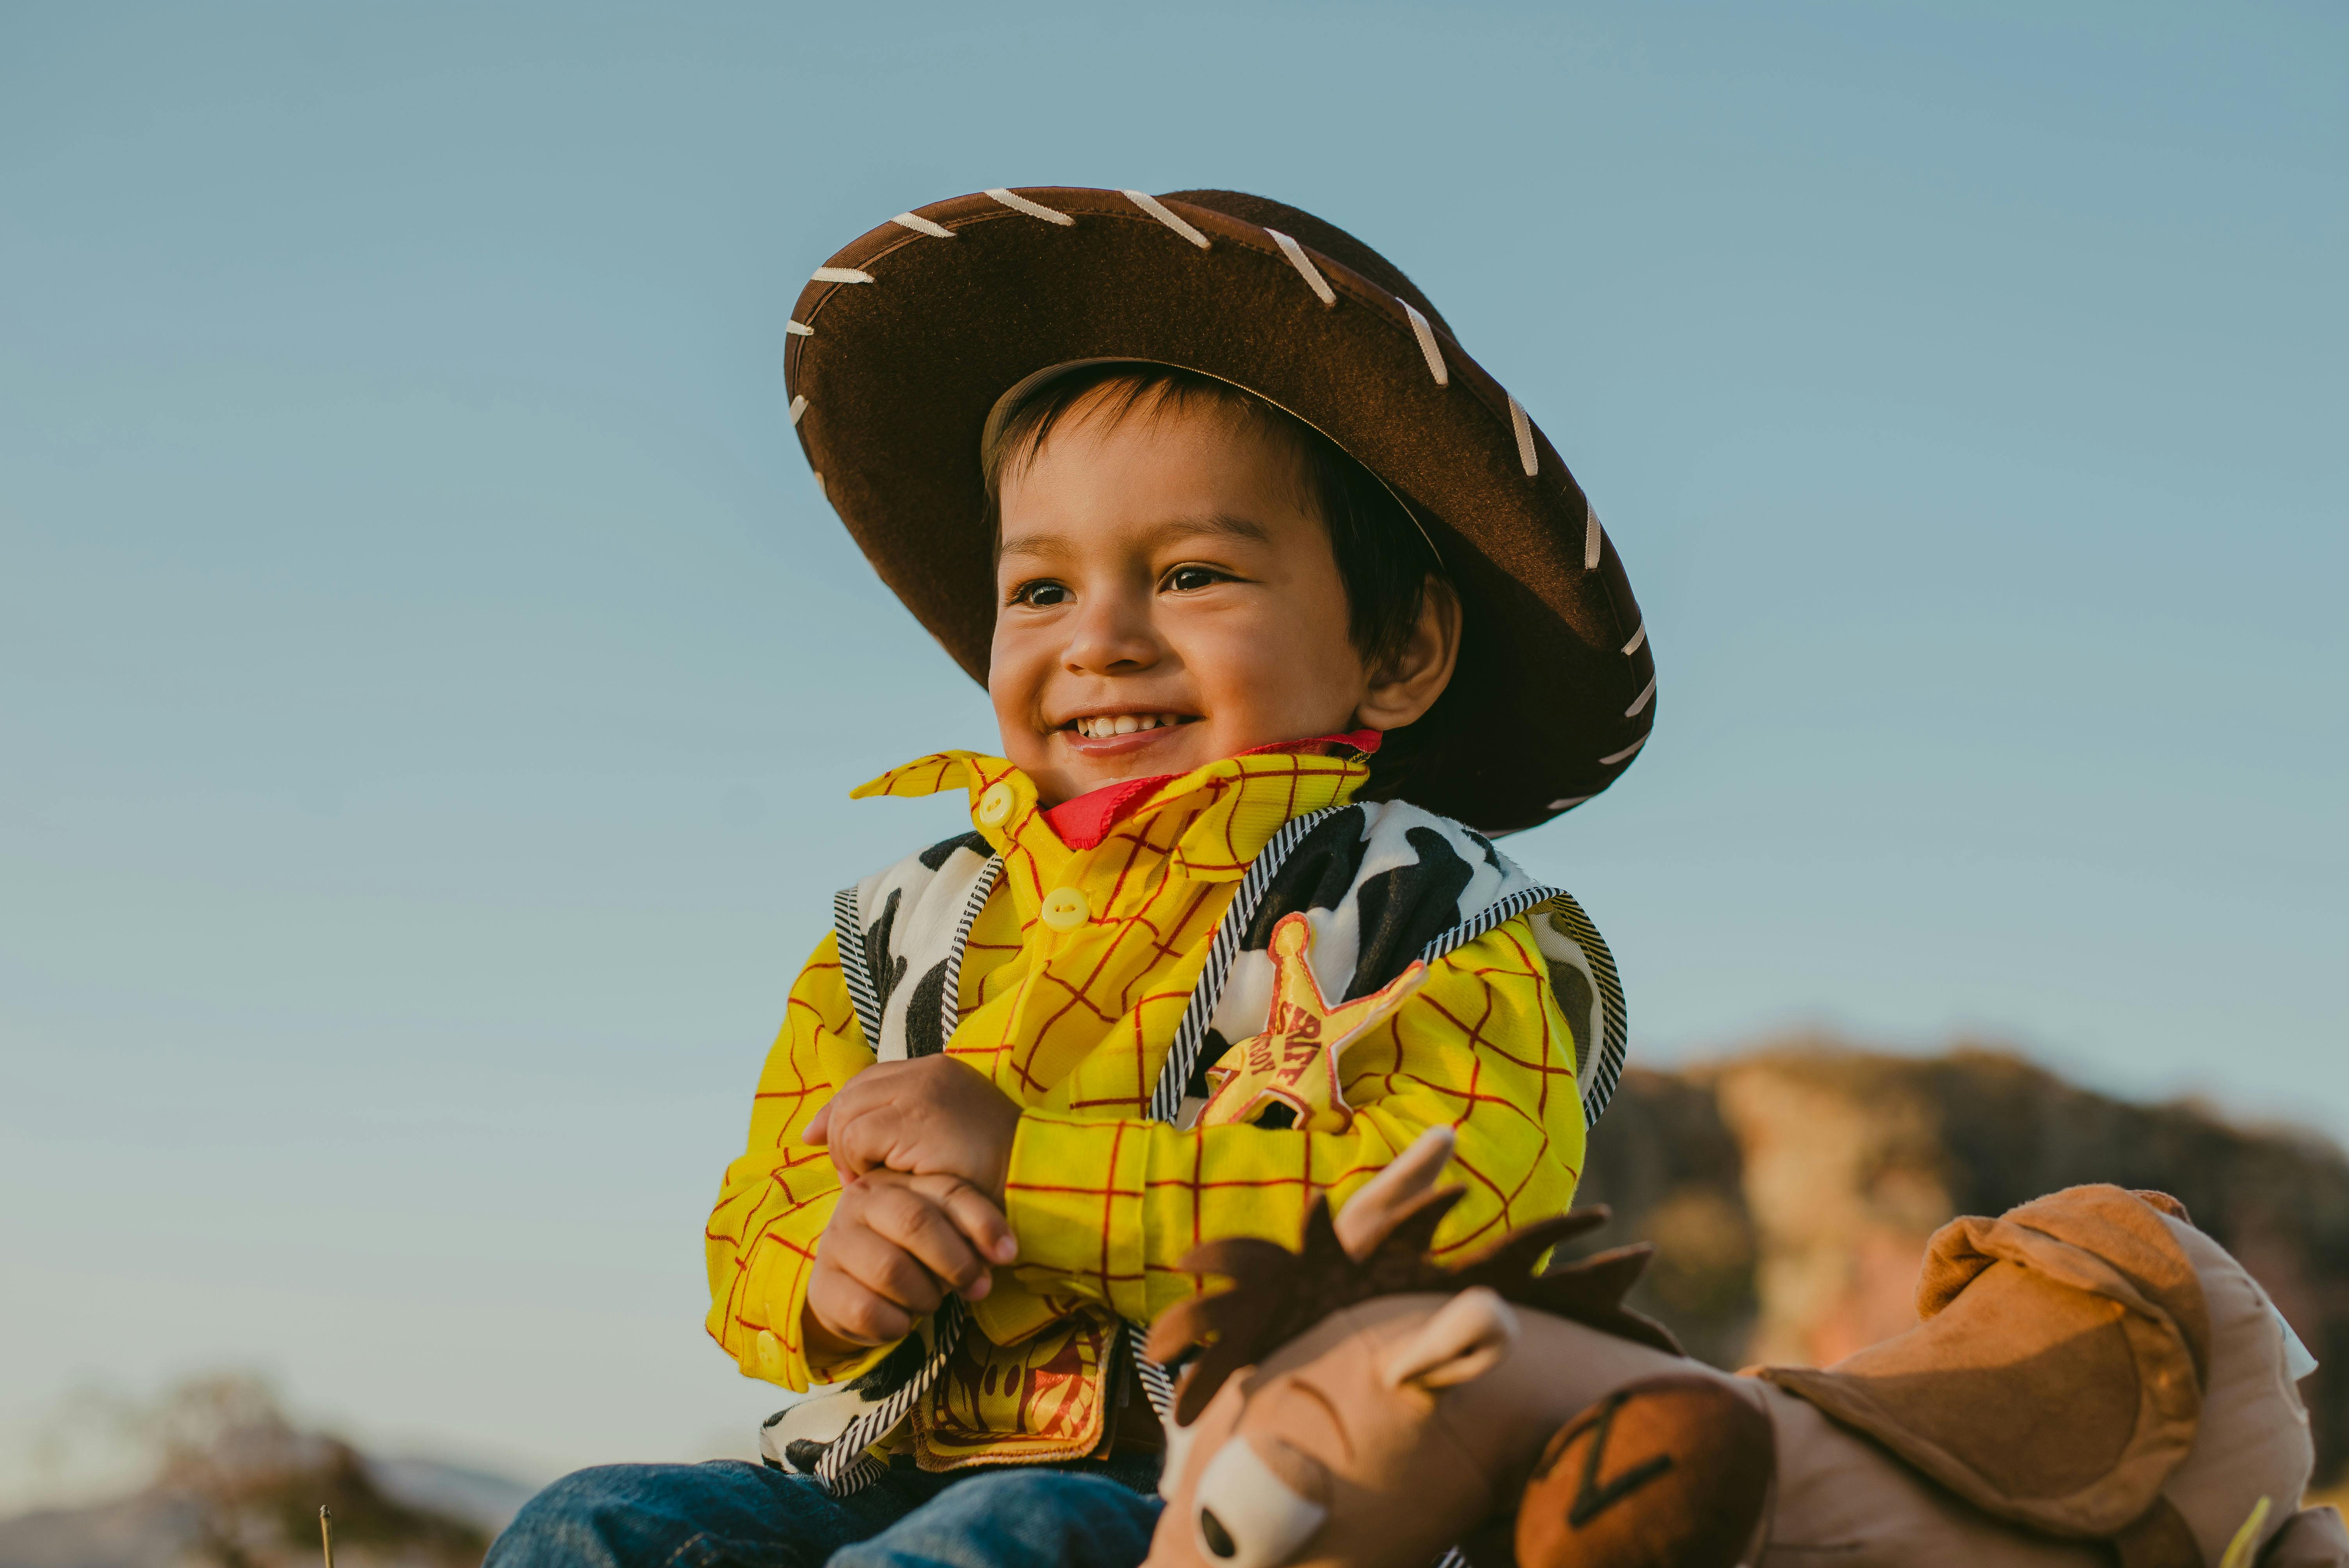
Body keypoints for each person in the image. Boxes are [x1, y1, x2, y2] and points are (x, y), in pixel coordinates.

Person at [487, 186, 1658, 1568]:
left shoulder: (1436, 918)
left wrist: (1025, 1173)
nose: (1097, 641)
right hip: (887, 1482)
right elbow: (760, 1204)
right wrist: (827, 1271)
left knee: (1018, 1530)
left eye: (1193, 574)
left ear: (1397, 651)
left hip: (1254, 1500)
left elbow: (1455, 1228)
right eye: (1040, 592)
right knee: (594, 1524)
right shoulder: (903, 927)